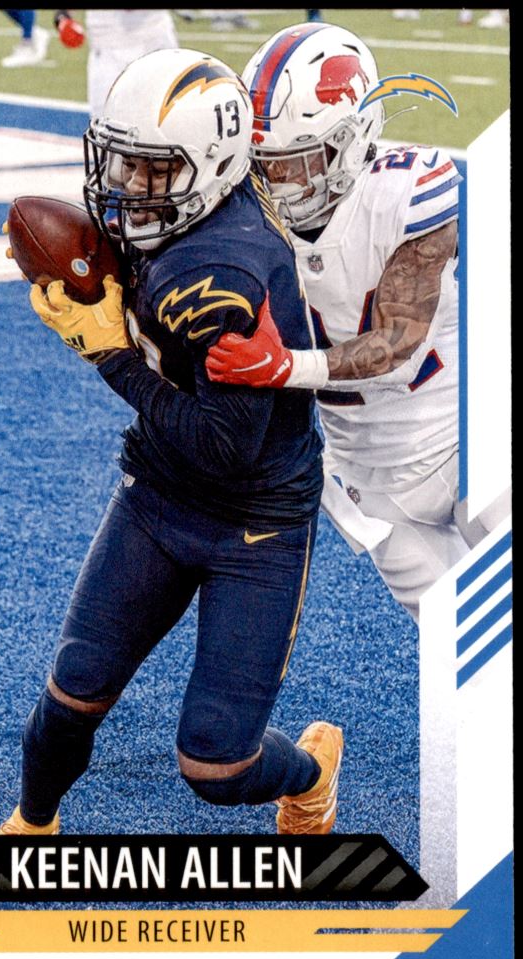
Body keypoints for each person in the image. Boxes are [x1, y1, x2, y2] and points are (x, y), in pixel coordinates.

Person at [0, 48, 342, 836]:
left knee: (218, 765)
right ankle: (33, 822)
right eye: (120, 161)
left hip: (253, 517)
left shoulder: (225, 271)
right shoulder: (194, 209)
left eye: (152, 170)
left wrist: (110, 354)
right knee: (73, 690)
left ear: (212, 166)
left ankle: (312, 773)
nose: (126, 186)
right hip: (159, 489)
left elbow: (223, 447)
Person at [205, 22, 510, 621]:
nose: (276, 182)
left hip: (465, 443)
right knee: (462, 638)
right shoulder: (246, 216)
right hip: (368, 479)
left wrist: (287, 367)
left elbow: (397, 340)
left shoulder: (409, 190)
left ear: (351, 137)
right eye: (262, 164)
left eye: (296, 162)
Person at [55, 9, 179, 118]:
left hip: (154, 39)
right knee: (104, 124)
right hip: (106, 45)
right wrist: (62, 18)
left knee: (169, 120)